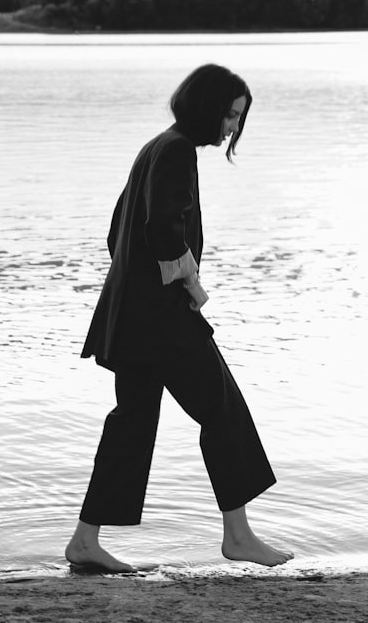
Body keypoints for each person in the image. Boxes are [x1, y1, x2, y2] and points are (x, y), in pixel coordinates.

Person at [65, 64, 293, 573]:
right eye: (231, 115)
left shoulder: (156, 146)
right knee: (224, 411)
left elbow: (115, 234)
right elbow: (162, 230)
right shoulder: (176, 150)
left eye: (239, 118)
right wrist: (193, 287)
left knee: (132, 424)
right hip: (162, 324)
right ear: (208, 107)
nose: (233, 127)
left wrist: (143, 289)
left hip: (133, 321)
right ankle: (238, 536)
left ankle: (85, 542)